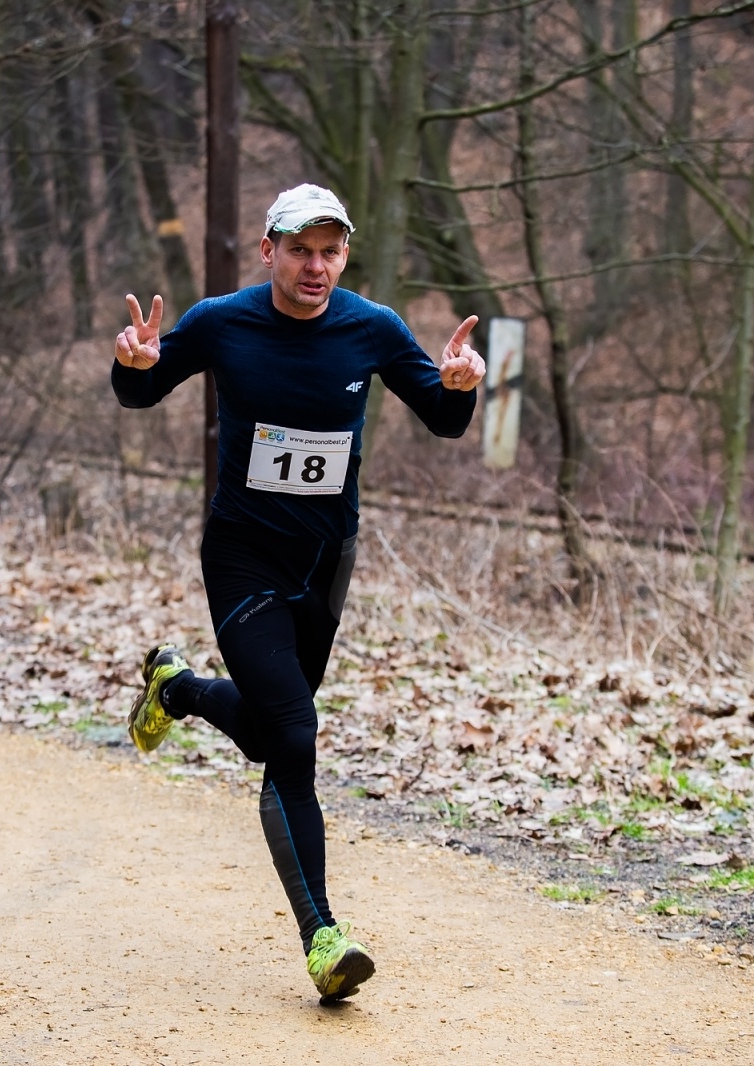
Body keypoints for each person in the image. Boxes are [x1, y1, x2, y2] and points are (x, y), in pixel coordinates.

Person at [110, 183, 486, 1005]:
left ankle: (178, 689)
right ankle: (324, 938)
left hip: (325, 563)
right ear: (268, 251)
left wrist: (459, 385)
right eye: (300, 250)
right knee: (294, 733)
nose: (316, 266)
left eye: (330, 251)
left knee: (271, 736)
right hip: (242, 557)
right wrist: (133, 364)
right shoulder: (223, 321)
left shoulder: (372, 328)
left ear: (344, 255)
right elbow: (142, 389)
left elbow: (444, 419)